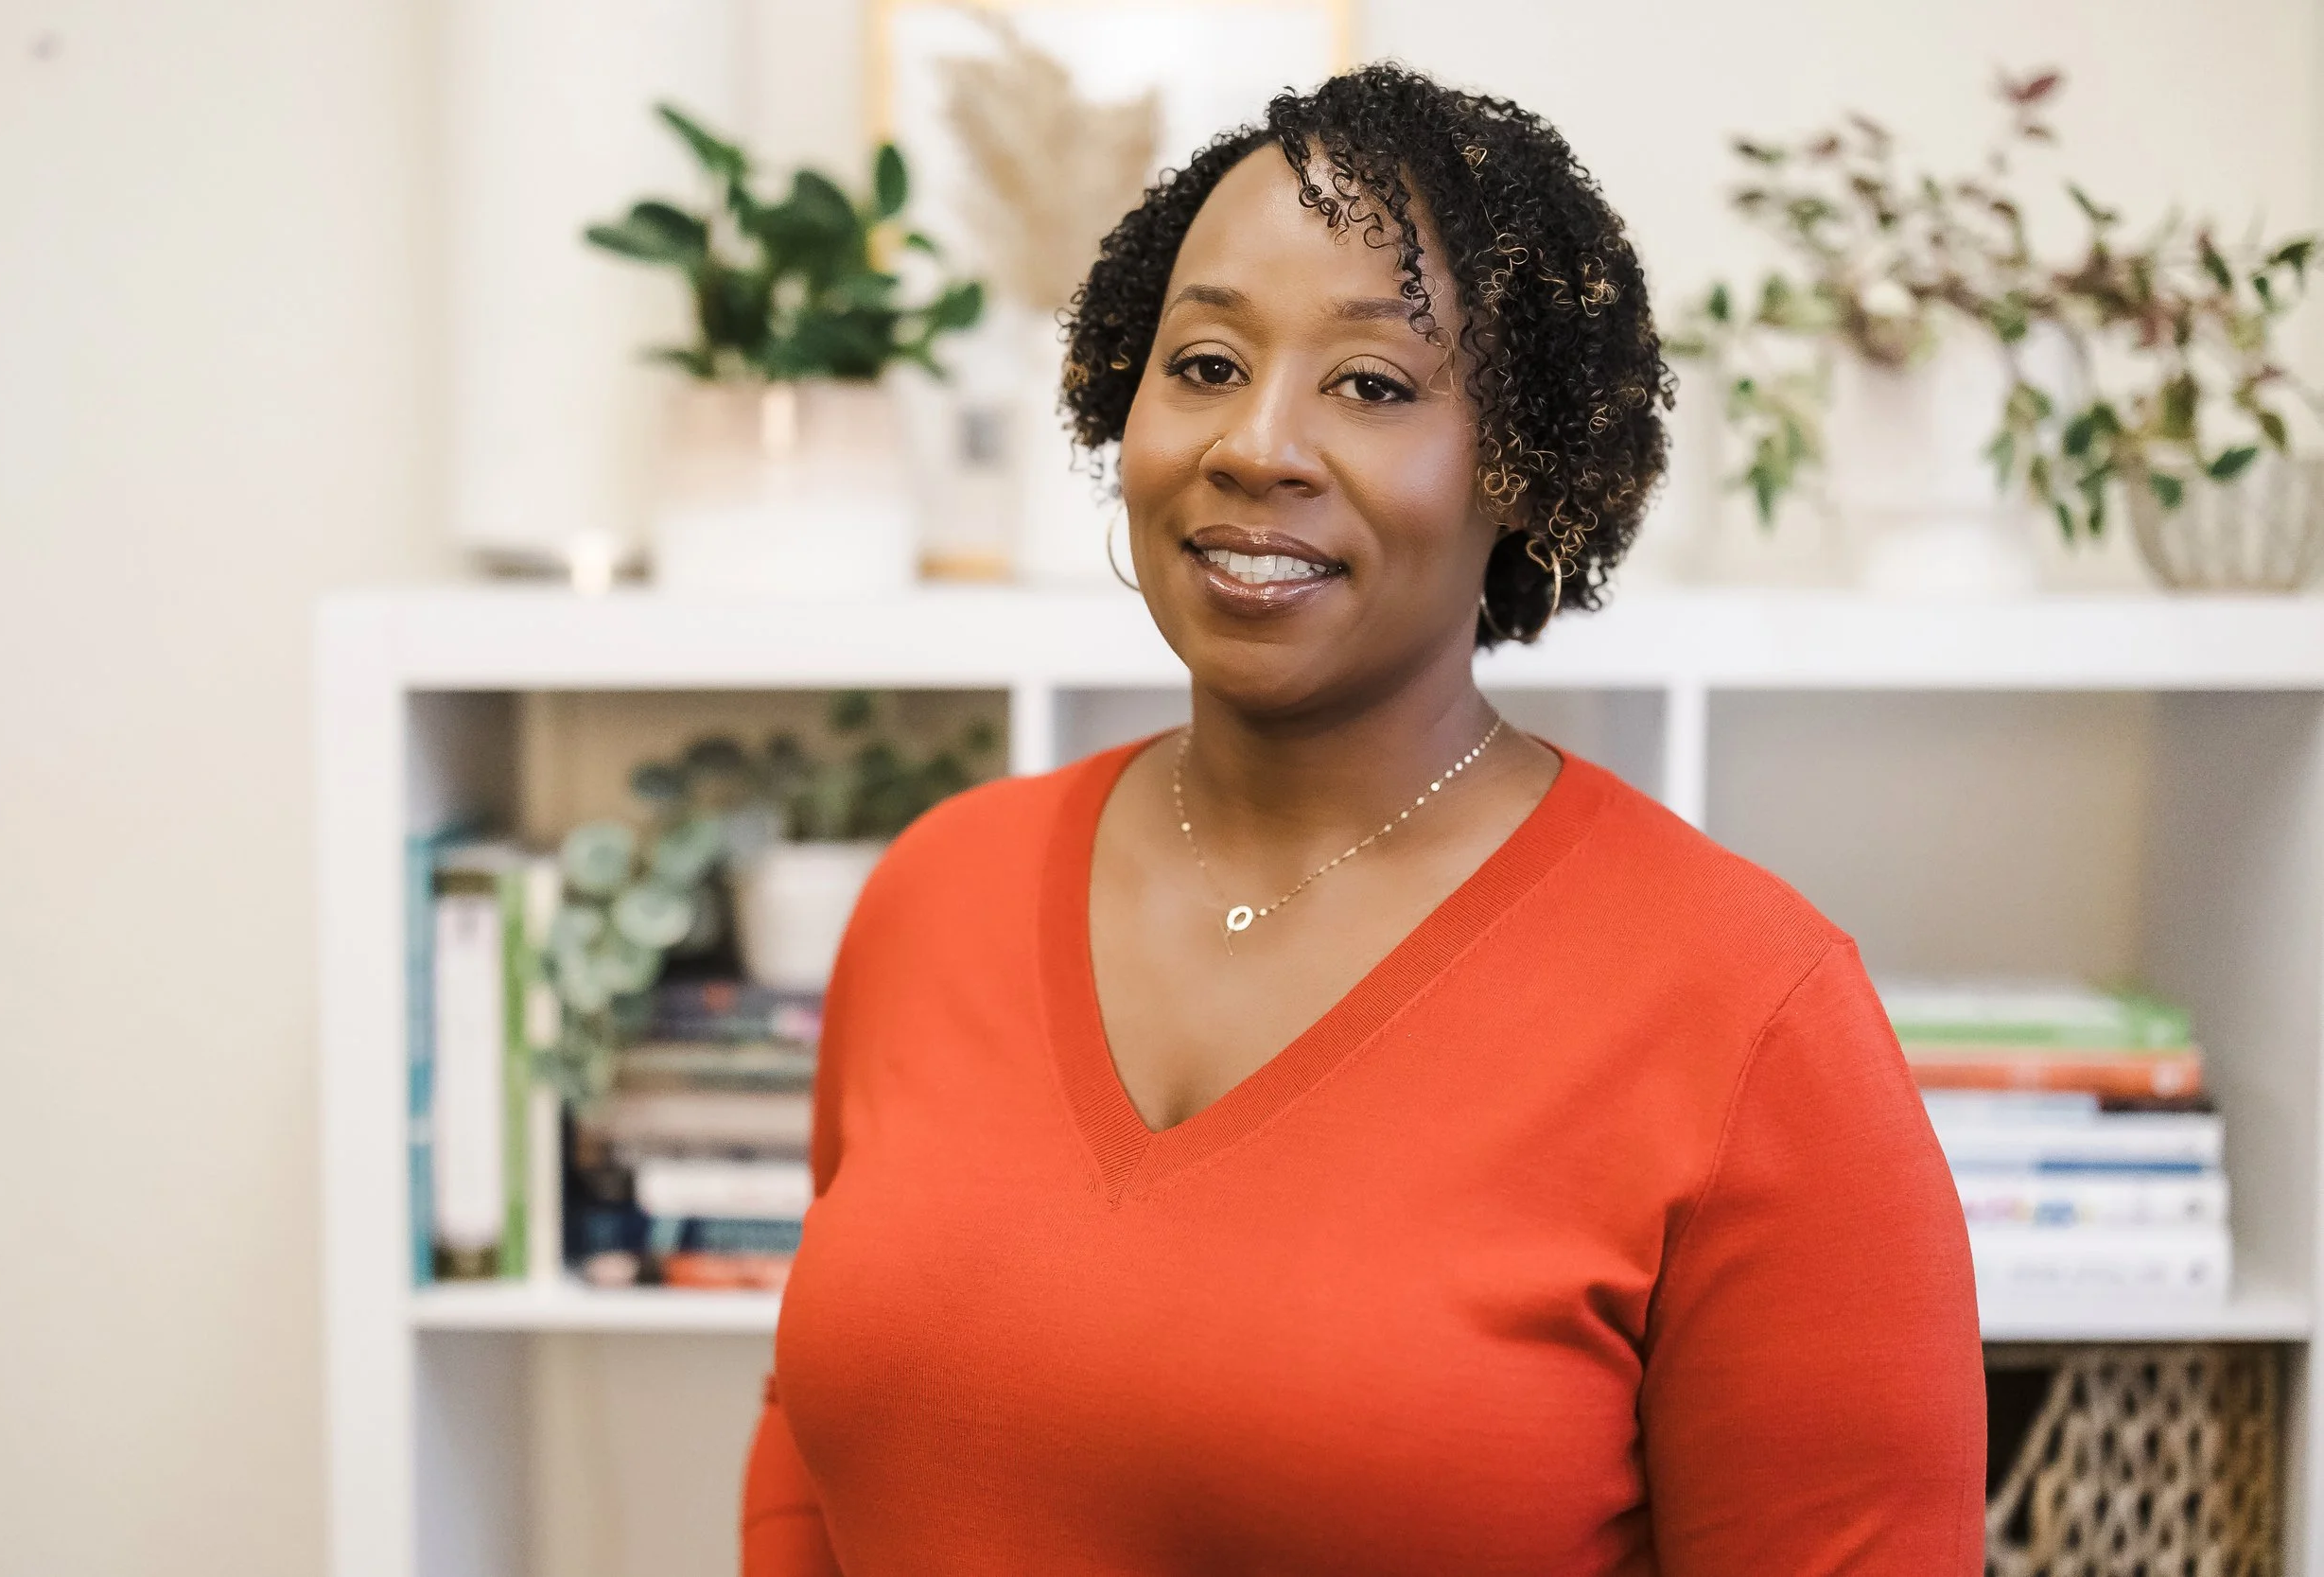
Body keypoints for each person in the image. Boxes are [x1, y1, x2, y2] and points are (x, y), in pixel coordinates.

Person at [740, 63, 1983, 1575]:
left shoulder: (1749, 1015)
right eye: (1202, 362)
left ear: (1525, 473)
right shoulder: (942, 888)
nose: (1254, 443)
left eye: (1374, 384)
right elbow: (809, 1475)